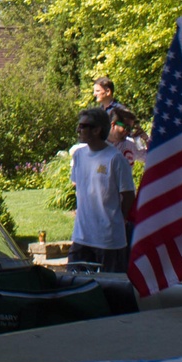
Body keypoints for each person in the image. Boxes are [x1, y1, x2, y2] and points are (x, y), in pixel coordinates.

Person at [68, 106, 135, 272]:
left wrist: (120, 220)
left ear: (97, 130)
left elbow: (128, 197)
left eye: (83, 126)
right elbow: (79, 186)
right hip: (82, 237)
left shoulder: (115, 159)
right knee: (75, 284)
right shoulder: (79, 155)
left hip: (109, 240)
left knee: (112, 290)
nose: (79, 129)